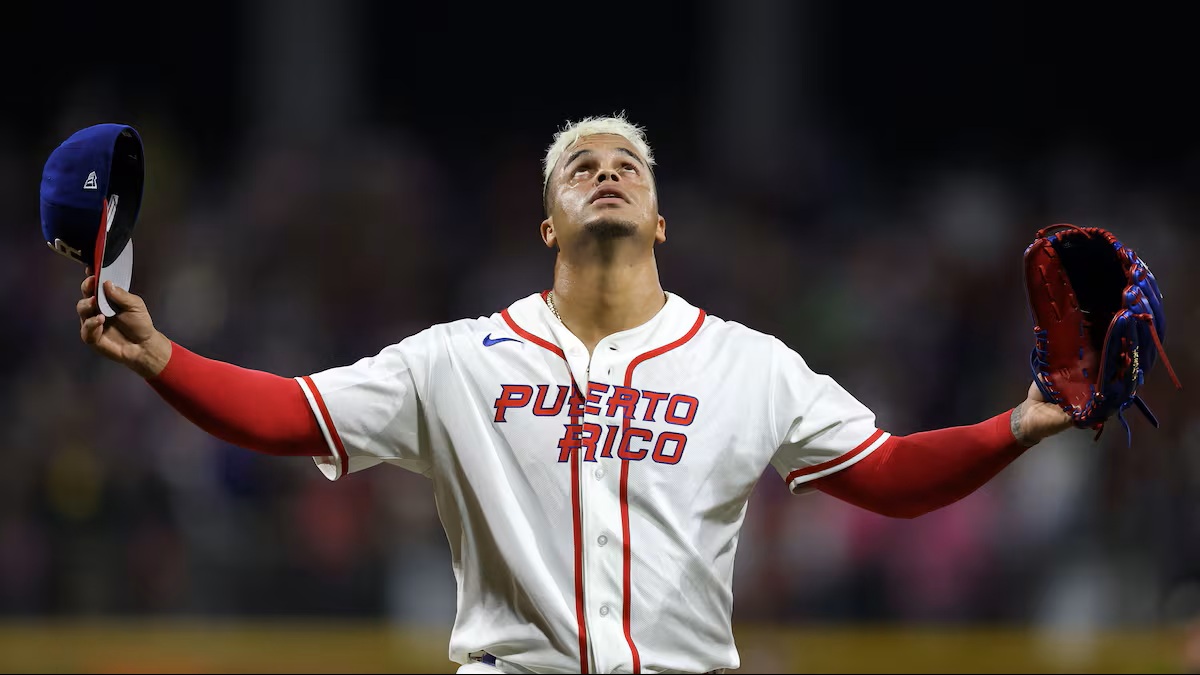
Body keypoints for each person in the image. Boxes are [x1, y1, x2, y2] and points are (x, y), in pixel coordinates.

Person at [75, 115, 1073, 674]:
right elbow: (291, 416)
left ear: (662, 219)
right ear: (548, 224)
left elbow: (889, 473)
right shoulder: (459, 359)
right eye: (581, 167)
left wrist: (1020, 423)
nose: (606, 173)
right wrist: (163, 356)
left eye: (627, 164)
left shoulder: (746, 362)